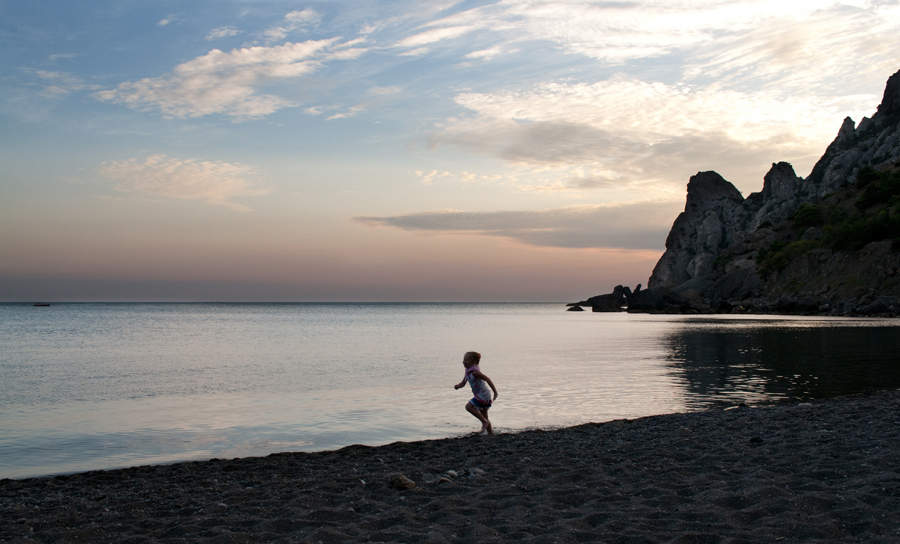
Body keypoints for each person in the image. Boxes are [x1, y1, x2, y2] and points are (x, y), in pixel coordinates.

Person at [453, 351, 498, 435]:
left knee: (468, 406)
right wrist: (457, 386)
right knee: (485, 416)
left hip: (483, 395)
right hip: (481, 394)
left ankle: (484, 422)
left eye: (467, 360)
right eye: (463, 360)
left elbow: (487, 379)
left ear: (474, 362)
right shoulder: (468, 371)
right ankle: (491, 434)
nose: (464, 362)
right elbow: (463, 383)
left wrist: (495, 392)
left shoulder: (475, 372)